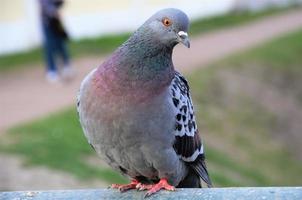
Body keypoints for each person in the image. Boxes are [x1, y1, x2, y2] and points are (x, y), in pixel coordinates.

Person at [39, 0, 73, 82]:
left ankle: (67, 65)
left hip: (56, 20)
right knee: (50, 45)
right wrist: (53, 11)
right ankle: (52, 70)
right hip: (47, 21)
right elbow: (44, 4)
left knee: (60, 42)